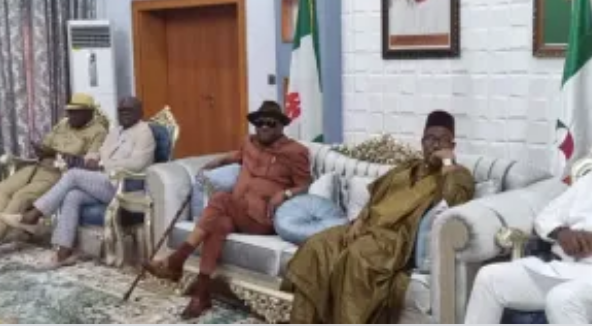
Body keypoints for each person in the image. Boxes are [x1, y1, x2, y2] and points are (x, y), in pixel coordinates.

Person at [283, 110, 475, 323]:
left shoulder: (458, 175)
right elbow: (375, 195)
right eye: (430, 138)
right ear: (422, 142)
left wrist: (448, 162)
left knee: (356, 258)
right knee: (316, 246)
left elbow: (455, 200)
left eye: (442, 140)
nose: (436, 145)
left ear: (452, 145)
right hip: (366, 228)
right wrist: (360, 220)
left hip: (393, 240)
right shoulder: (406, 168)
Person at [465, 115, 592, 324]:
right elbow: (546, 217)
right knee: (489, 277)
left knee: (563, 298)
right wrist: (562, 233)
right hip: (567, 268)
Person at [142, 100, 311, 319]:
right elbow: (235, 156)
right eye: (260, 123)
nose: (264, 127)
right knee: (217, 225)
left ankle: (177, 260)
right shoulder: (249, 143)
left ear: (281, 126)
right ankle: (201, 294)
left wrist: (285, 194)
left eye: (270, 123)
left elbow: (306, 185)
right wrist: (216, 161)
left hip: (262, 218)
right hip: (239, 212)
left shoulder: (295, 151)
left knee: (221, 198)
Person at [0, 96, 155, 266]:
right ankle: (64, 252)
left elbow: (138, 164)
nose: (124, 114)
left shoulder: (144, 132)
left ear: (140, 112)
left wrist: (104, 164)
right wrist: (93, 158)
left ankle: (33, 216)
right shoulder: (116, 131)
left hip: (126, 186)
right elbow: (102, 152)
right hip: (105, 182)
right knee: (73, 195)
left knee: (73, 175)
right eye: (121, 111)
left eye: (129, 110)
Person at [0, 93, 107, 243]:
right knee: (3, 189)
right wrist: (41, 149)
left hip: (58, 174)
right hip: (37, 166)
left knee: (21, 197)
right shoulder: (63, 124)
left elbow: (89, 163)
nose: (71, 115)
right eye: (69, 111)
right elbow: (47, 143)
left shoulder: (99, 132)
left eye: (75, 112)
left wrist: (57, 154)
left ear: (89, 112)